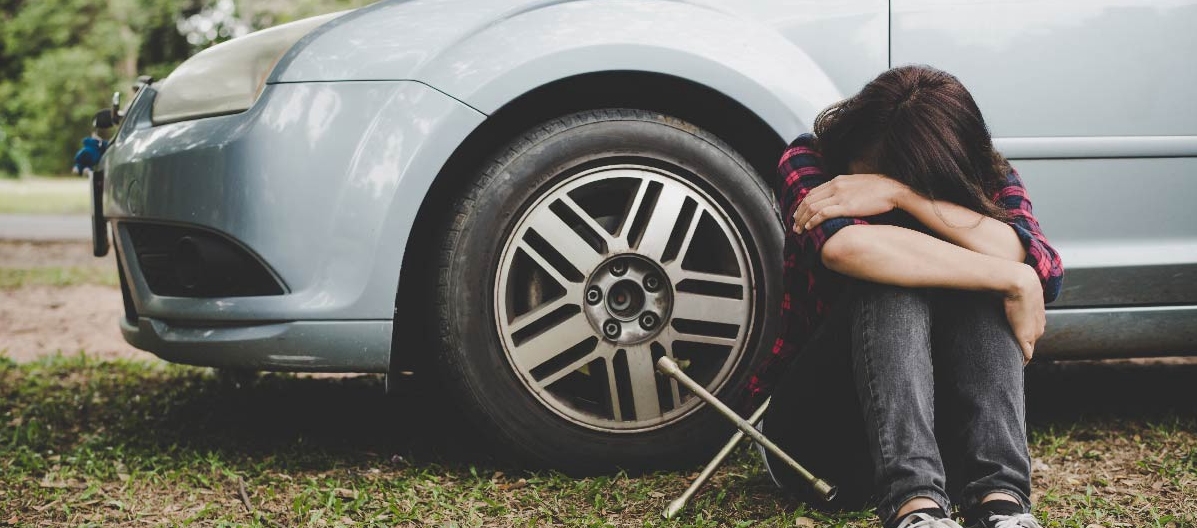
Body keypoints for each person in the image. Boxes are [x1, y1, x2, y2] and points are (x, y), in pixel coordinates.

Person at [748, 65, 1064, 528]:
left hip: (948, 451)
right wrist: (1013, 277)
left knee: (984, 280)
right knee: (892, 276)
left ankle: (1000, 502)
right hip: (819, 443)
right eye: (870, 174)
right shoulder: (808, 159)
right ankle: (914, 508)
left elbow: (1041, 265)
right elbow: (847, 248)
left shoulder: (984, 171)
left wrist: (902, 197)